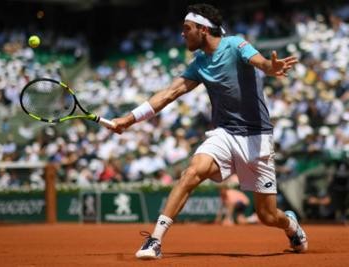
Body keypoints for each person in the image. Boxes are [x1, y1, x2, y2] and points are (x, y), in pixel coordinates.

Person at [108, 3, 308, 259]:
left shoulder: (236, 44)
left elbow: (260, 62)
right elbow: (169, 93)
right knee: (192, 172)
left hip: (257, 138)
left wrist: (271, 68)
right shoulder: (199, 62)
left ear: (202, 29)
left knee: (268, 216)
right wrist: (128, 119)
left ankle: (291, 225)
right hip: (224, 134)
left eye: (186, 29)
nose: (182, 34)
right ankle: (155, 240)